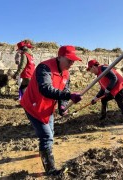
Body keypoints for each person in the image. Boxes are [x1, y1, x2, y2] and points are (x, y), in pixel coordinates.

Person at [20, 45, 82, 176]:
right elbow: (45, 89)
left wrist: (62, 106)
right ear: (59, 57)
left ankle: (43, 152)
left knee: (51, 133)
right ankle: (50, 169)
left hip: (47, 107)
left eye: (73, 61)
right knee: (47, 136)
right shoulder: (44, 68)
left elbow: (64, 90)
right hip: (33, 105)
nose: (72, 63)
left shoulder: (66, 72)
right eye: (69, 60)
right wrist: (69, 96)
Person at [86, 59, 123, 129]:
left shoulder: (104, 68)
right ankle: (103, 116)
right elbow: (103, 88)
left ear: (93, 67)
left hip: (120, 88)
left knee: (122, 105)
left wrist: (107, 90)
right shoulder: (99, 75)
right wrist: (96, 98)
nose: (90, 72)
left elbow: (114, 78)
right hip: (112, 90)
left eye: (90, 69)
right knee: (103, 100)